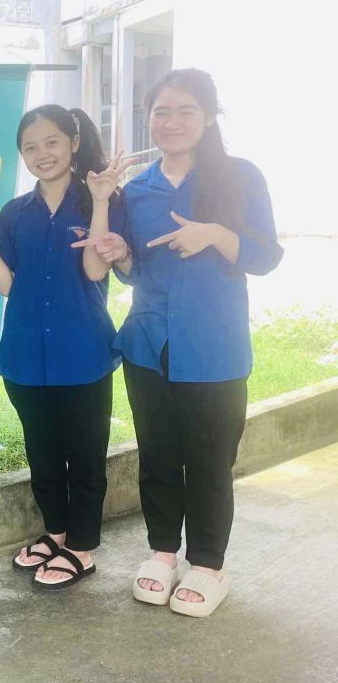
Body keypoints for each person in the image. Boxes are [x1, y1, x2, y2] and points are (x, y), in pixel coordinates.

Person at [77, 69, 283, 617]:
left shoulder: (239, 177)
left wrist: (215, 233)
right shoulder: (138, 190)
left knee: (211, 461)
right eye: (161, 112)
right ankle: (163, 553)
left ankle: (208, 566)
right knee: (158, 455)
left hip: (214, 347)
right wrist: (122, 253)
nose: (171, 122)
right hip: (148, 345)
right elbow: (133, 271)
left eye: (186, 110)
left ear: (209, 116)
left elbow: (266, 256)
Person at [0, 105, 128, 591]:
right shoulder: (15, 213)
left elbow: (95, 269)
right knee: (43, 454)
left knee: (85, 455)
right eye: (30, 147)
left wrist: (100, 203)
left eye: (51, 142)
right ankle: (57, 534)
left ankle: (81, 548)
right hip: (26, 355)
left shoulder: (98, 201)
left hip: (83, 353)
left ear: (73, 144)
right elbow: (7, 284)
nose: (41, 154)